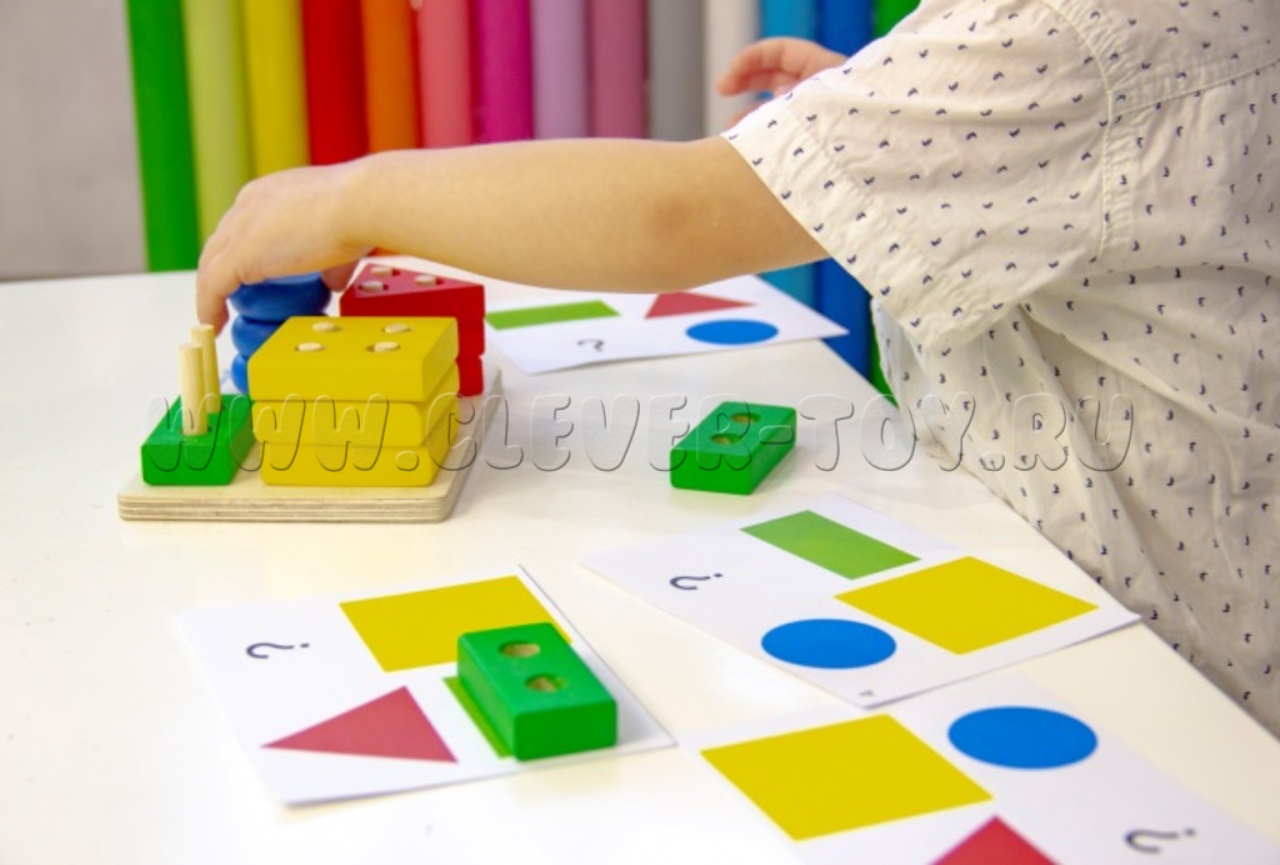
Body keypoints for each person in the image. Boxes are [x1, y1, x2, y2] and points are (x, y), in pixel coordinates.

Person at [196, 1, 1279, 737]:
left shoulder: (1074, 31)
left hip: (1153, 676)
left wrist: (360, 196)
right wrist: (882, 118)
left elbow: (674, 215)